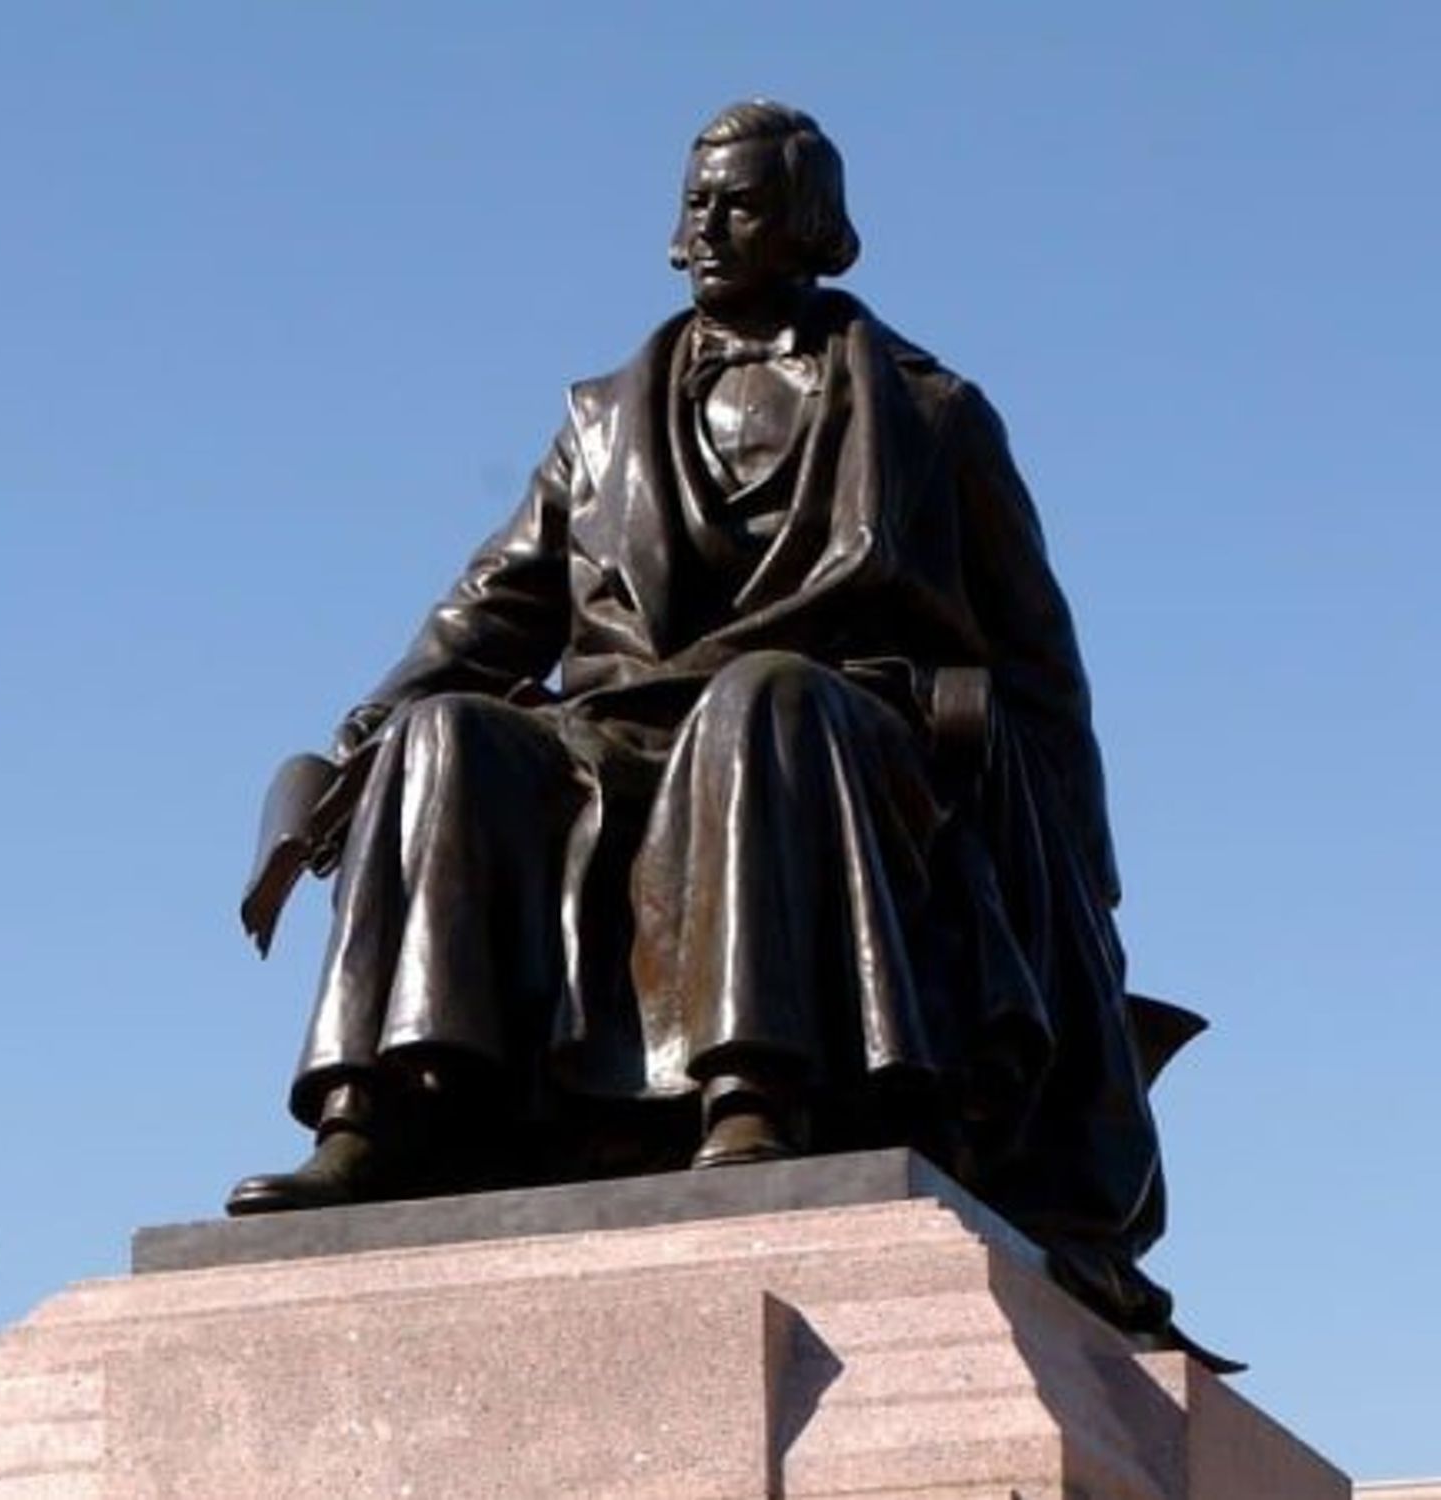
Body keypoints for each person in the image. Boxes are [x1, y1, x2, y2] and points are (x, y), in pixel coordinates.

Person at [231, 100, 1177, 1338]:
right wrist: (354, 744)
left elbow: (1041, 670)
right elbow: (486, 612)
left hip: (843, 741)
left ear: (812, 225)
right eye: (695, 205)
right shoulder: (599, 423)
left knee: (759, 698)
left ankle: (753, 1094)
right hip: (619, 731)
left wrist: (1078, 904)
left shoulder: (932, 415)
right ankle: (377, 1115)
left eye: (740, 204)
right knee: (447, 734)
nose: (708, 228)